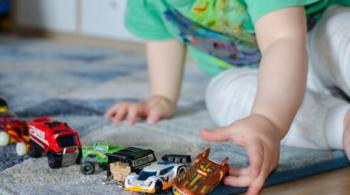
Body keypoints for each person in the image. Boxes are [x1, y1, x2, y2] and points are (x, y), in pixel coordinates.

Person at [105, 1, 350, 194]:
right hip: (255, 77)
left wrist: (269, 119)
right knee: (222, 94)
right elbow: (162, 31)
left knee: (339, 34)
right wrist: (162, 96)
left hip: (309, 43)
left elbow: (282, 40)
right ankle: (341, 122)